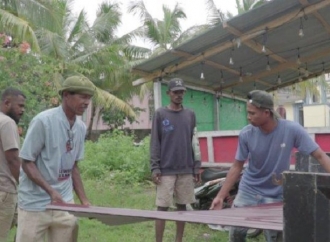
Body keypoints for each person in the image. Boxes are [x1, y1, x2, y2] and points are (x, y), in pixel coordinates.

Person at [210, 90, 330, 242]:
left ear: (266, 113)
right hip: (249, 190)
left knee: (274, 238)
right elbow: (236, 166)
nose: (248, 117)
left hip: (275, 193)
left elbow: (319, 155)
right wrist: (220, 196)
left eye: (252, 113)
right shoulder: (246, 134)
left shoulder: (292, 130)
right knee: (236, 234)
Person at [16, 76, 95, 242]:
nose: (87, 102)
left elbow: (74, 166)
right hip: (35, 203)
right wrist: (50, 191)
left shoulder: (80, 127)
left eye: (89, 98)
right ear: (66, 95)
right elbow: (27, 161)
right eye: (82, 96)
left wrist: (85, 201)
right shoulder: (43, 121)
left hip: (64, 202)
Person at [150, 78, 201, 242]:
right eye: (175, 92)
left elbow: (195, 142)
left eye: (182, 92)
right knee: (162, 207)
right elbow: (155, 142)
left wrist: (197, 166)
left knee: (182, 206)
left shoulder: (190, 114)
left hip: (186, 168)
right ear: (168, 93)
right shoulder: (160, 114)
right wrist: (155, 167)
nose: (179, 95)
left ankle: (178, 240)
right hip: (166, 169)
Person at [0, 88, 26, 241]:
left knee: (26, 223)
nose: (22, 110)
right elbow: (13, 159)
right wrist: (25, 185)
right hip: (5, 190)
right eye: (20, 106)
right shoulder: (7, 123)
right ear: (7, 103)